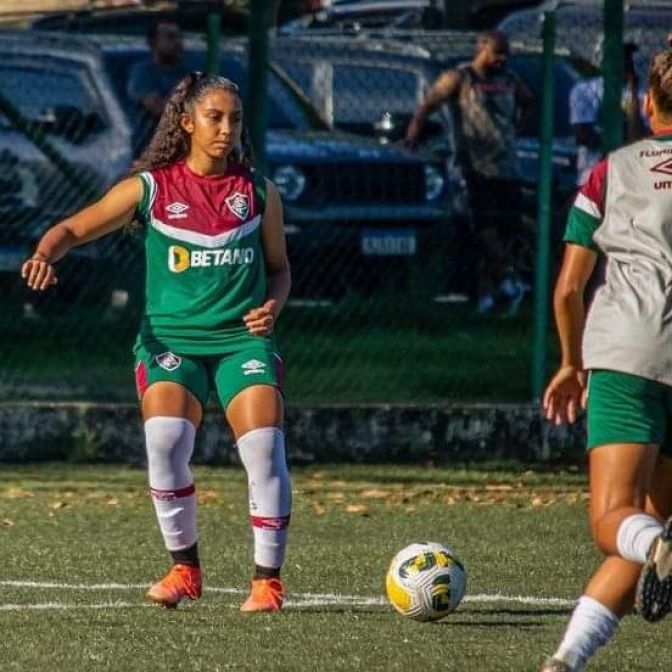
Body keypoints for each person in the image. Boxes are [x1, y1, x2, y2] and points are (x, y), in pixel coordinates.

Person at [21, 73, 292, 612]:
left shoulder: (258, 192)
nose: (226, 130)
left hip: (241, 344)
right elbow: (74, 228)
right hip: (170, 342)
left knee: (263, 447)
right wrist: (45, 254)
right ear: (187, 122)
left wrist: (272, 307)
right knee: (166, 441)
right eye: (214, 118)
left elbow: (280, 270)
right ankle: (185, 570)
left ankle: (267, 582)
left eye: (235, 119)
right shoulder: (152, 189)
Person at [539, 47, 672, 672]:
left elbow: (569, 287)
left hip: (628, 350)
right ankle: (566, 658)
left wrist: (570, 363)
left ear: (647, 104)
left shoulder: (610, 170)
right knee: (653, 524)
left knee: (614, 521)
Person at [405, 30, 533, 313]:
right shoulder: (461, 78)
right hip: (473, 165)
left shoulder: (509, 80)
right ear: (482, 48)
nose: (501, 59)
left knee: (506, 228)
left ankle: (489, 293)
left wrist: (516, 128)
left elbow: (528, 100)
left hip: (506, 166)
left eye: (505, 54)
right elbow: (429, 104)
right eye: (496, 52)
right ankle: (506, 280)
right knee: (484, 229)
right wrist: (414, 131)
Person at [569, 41, 648, 186]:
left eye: (628, 60)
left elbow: (641, 137)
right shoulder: (586, 89)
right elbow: (583, 133)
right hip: (593, 170)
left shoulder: (640, 95)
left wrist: (633, 92)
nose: (626, 64)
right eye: (620, 59)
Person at [126, 19, 192, 155]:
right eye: (170, 37)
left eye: (180, 37)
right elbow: (159, 109)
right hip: (149, 148)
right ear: (153, 42)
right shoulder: (143, 72)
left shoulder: (187, 73)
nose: (178, 42)